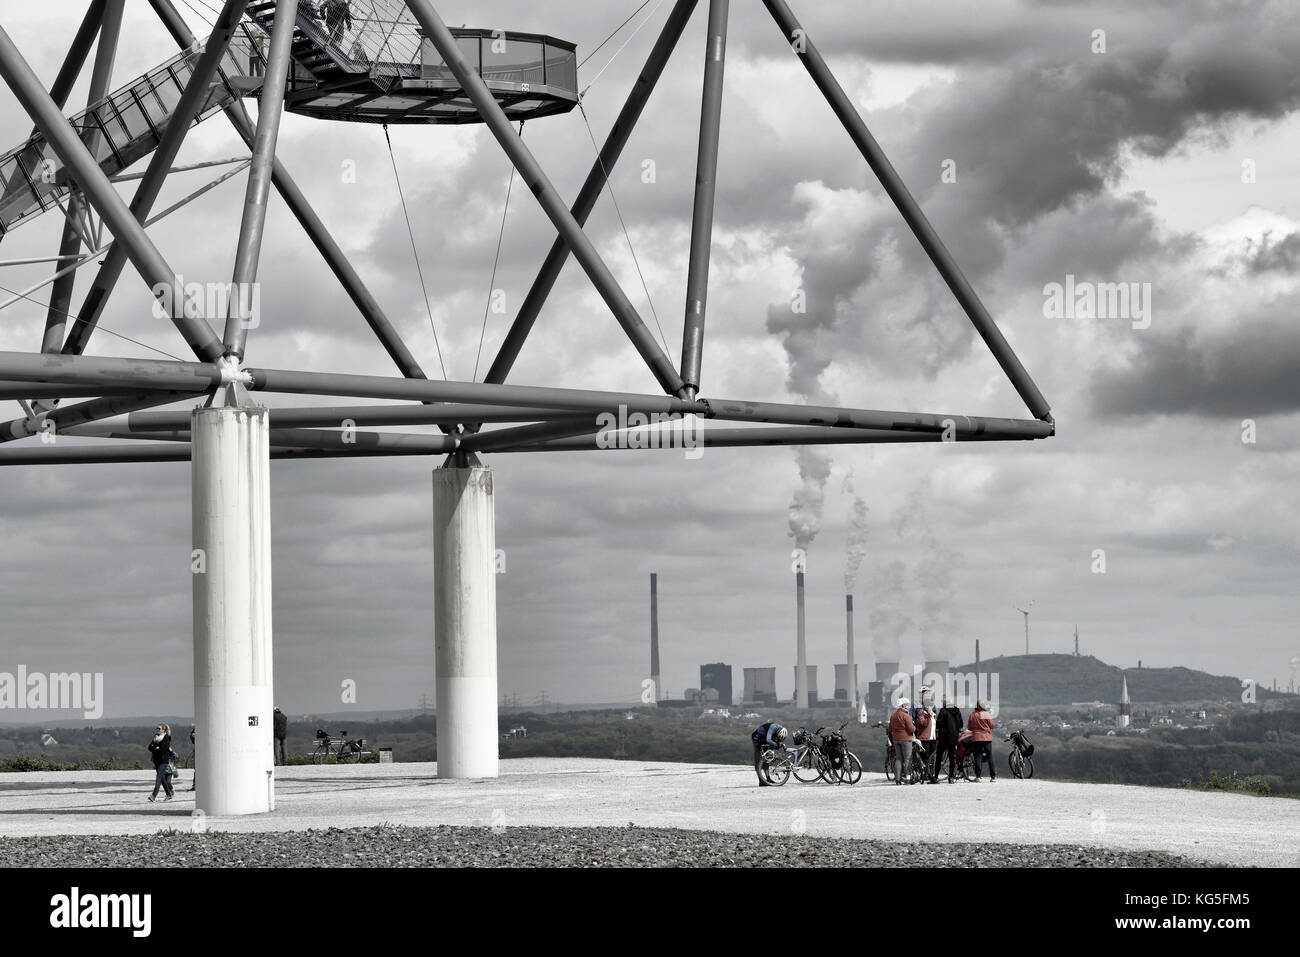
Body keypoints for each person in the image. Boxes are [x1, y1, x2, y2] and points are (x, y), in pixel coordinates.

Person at [750, 720, 788, 787]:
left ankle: (768, 779)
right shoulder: (773, 727)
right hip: (757, 739)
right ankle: (761, 781)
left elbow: (776, 740)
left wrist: (779, 744)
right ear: (778, 732)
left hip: (764, 739)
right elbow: (768, 740)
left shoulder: (780, 730)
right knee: (758, 760)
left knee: (768, 758)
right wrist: (776, 744)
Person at [935, 695, 964, 783]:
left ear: (945, 702)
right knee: (952, 758)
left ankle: (935, 777)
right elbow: (960, 725)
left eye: (942, 701)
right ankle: (951, 777)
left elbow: (939, 724)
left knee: (939, 757)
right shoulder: (957, 711)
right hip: (953, 738)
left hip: (943, 738)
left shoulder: (943, 711)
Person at [887, 697, 915, 785]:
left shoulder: (893, 716)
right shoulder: (906, 716)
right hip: (906, 739)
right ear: (903, 705)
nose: (909, 707)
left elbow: (890, 728)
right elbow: (911, 729)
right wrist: (914, 727)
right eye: (907, 705)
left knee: (899, 759)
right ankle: (908, 778)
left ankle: (898, 779)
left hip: (896, 739)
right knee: (907, 758)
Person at [967, 699, 996, 782]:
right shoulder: (986, 714)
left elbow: (969, 727)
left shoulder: (972, 715)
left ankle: (978, 776)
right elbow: (992, 726)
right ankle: (993, 776)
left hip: (976, 738)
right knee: (989, 756)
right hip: (987, 738)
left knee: (978, 756)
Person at [914, 693, 938, 783]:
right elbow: (923, 724)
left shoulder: (934, 715)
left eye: (931, 705)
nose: (930, 707)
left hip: (933, 738)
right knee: (926, 757)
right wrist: (928, 715)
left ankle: (930, 774)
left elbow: (935, 726)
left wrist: (932, 715)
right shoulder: (921, 714)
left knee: (932, 758)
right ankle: (924, 775)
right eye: (929, 705)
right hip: (924, 738)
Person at [148, 723, 175, 802]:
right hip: (156, 761)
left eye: (159, 728)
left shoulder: (166, 737)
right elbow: (149, 747)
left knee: (158, 778)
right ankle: (169, 794)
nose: (157, 730)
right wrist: (156, 748)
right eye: (156, 728)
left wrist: (155, 748)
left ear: (163, 730)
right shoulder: (155, 737)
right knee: (162, 779)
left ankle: (153, 795)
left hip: (163, 761)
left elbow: (163, 749)